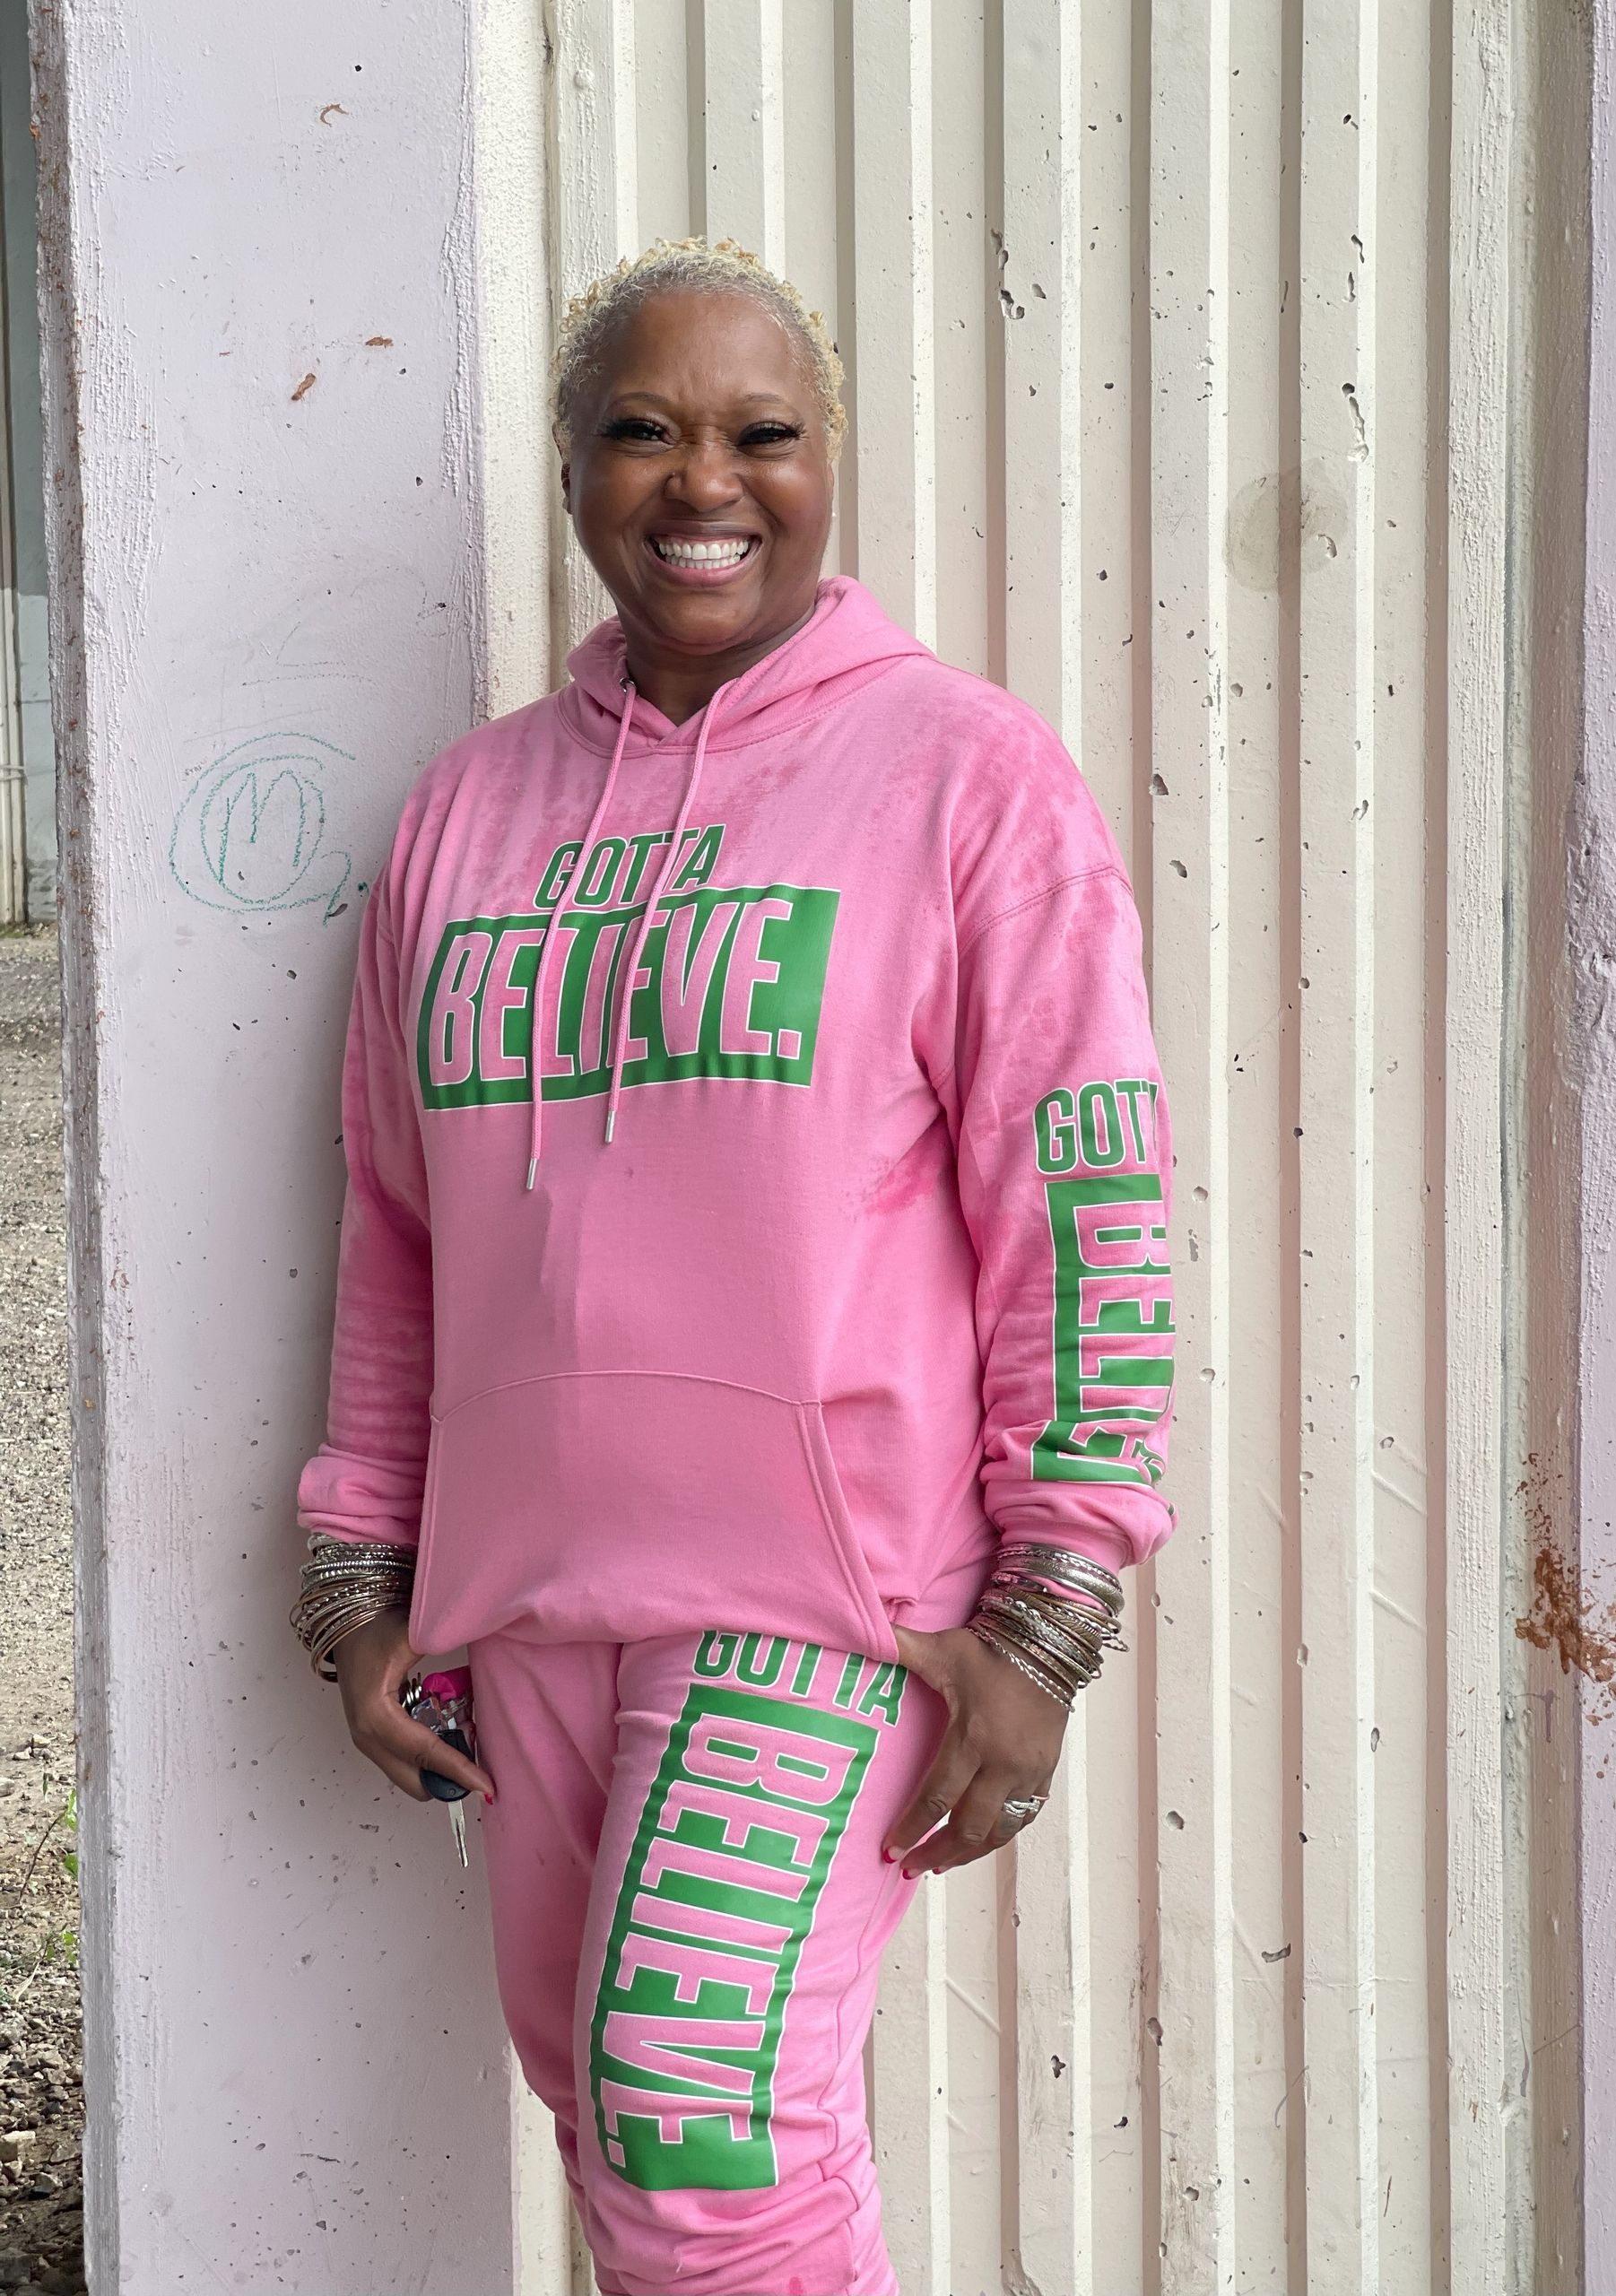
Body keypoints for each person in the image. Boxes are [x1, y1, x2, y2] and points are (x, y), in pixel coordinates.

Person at [291, 236, 1176, 2296]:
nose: (707, 480)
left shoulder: (963, 778)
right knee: (627, 2126)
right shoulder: (466, 816)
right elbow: (397, 1231)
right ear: (576, 466)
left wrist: (1052, 1604)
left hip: (828, 1602)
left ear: (827, 456)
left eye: (762, 431)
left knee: (697, 2135)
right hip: (521, 1602)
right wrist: (362, 1567)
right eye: (644, 428)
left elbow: (1087, 1196)